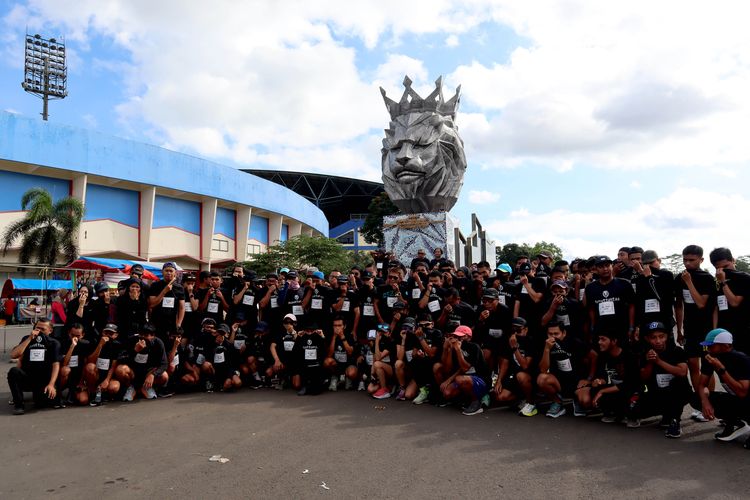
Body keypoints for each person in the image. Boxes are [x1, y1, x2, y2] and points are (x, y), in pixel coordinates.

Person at [674, 245, 716, 422]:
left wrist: (689, 282)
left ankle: (710, 402)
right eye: (685, 260)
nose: (687, 263)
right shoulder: (679, 278)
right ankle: (700, 402)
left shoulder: (706, 278)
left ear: (701, 260)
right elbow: (679, 305)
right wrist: (680, 329)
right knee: (692, 364)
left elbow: (700, 303)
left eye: (691, 260)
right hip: (690, 328)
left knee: (708, 366)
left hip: (705, 330)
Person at [691, 329, 750, 447]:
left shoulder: (741, 359)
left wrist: (721, 369)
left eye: (711, 346)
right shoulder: (711, 358)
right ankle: (735, 423)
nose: (708, 349)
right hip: (738, 400)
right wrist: (705, 402)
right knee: (695, 398)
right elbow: (702, 385)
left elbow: (742, 392)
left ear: (724, 346)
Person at [633, 322, 690, 438]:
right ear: (647, 339)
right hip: (656, 394)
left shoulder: (676, 351)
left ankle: (674, 420)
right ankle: (665, 414)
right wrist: (649, 362)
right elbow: (643, 377)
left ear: (667, 336)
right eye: (653, 338)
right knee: (631, 412)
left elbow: (682, 372)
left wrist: (658, 361)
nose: (658, 341)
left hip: (675, 394)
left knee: (679, 382)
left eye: (661, 336)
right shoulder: (645, 354)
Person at [576, 331, 639, 424]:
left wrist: (602, 391)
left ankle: (631, 415)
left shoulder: (629, 356)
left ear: (614, 341)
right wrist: (599, 381)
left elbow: (629, 384)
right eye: (599, 339)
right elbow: (605, 377)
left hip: (630, 390)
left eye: (603, 339)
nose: (599, 342)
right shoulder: (603, 356)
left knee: (627, 397)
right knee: (595, 389)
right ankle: (612, 413)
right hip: (614, 388)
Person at [537, 321, 597, 418]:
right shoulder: (546, 344)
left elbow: (594, 356)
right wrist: (547, 349)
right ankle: (557, 402)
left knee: (586, 402)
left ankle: (577, 399)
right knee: (542, 379)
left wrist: (589, 378)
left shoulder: (575, 342)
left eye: (556, 334)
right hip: (559, 382)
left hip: (578, 382)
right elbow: (543, 370)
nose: (553, 337)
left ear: (564, 333)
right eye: (550, 334)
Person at [8, 319, 62, 414]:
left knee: (40, 404)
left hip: (43, 380)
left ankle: (41, 395)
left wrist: (51, 384)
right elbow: (14, 355)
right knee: (14, 371)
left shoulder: (54, 343)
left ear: (50, 330)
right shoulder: (26, 338)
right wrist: (29, 338)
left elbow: (56, 364)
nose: (39, 331)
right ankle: (19, 405)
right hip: (28, 377)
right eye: (37, 328)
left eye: (43, 329)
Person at [434, 325, 490, 416]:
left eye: (461, 337)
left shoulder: (474, 347)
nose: (457, 339)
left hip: (481, 379)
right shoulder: (455, 347)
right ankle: (465, 399)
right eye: (456, 336)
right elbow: (448, 368)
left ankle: (476, 401)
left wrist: (458, 350)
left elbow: (465, 368)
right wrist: (446, 349)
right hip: (464, 377)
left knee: (460, 379)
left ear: (469, 337)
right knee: (447, 392)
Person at [584, 255, 636, 344]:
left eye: (607, 266)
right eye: (601, 267)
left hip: (621, 329)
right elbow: (591, 309)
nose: (605, 269)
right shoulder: (590, 288)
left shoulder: (624, 284)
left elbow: (632, 306)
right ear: (596, 269)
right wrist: (592, 327)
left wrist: (631, 327)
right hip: (601, 331)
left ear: (612, 266)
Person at [493, 317, 538, 416]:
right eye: (513, 330)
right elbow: (505, 362)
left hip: (529, 375)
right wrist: (499, 380)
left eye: (518, 330)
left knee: (521, 375)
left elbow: (525, 366)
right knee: (500, 397)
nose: (515, 333)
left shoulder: (530, 341)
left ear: (525, 329)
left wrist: (514, 348)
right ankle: (522, 398)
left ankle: (531, 402)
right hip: (514, 374)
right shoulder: (509, 340)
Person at [710, 247, 750, 355]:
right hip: (724, 331)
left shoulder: (744, 278)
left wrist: (723, 282)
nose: (724, 271)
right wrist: (715, 331)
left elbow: (734, 302)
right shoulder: (715, 282)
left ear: (733, 260)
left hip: (743, 329)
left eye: (726, 266)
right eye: (719, 268)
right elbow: (716, 308)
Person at [115, 324, 168, 401]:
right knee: (120, 370)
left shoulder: (158, 343)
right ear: (139, 334)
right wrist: (134, 351)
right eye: (144, 335)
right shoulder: (131, 341)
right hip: (133, 373)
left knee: (164, 376)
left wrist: (153, 374)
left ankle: (146, 387)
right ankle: (131, 387)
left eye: (149, 335)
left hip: (148, 372)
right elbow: (120, 360)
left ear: (153, 335)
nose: (147, 338)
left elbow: (164, 364)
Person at [84, 323, 124, 406]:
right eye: (106, 333)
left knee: (114, 387)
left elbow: (113, 365)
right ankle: (93, 393)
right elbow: (90, 361)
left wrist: (107, 380)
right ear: (102, 333)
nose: (108, 335)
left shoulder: (117, 345)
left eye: (111, 333)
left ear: (116, 335)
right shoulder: (95, 341)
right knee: (90, 367)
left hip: (107, 375)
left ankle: (104, 394)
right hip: (96, 374)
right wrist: (100, 345)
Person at [147, 262, 185, 343]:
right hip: (157, 323)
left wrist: (178, 324)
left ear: (175, 272)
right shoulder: (155, 285)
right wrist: (164, 291)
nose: (168, 273)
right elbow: (152, 304)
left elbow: (182, 307)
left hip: (171, 325)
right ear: (162, 272)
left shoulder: (179, 288)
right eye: (166, 270)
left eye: (171, 271)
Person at [324, 316, 358, 391]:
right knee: (327, 362)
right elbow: (329, 355)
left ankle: (348, 378)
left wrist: (342, 337)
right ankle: (335, 377)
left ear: (344, 326)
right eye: (335, 325)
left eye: (339, 325)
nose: (337, 328)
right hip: (336, 364)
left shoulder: (350, 336)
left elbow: (350, 352)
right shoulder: (330, 336)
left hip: (348, 364)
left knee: (352, 373)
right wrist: (334, 337)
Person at [294, 321, 327, 395]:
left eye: (311, 330)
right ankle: (305, 386)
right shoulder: (302, 338)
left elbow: (325, 352)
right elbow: (295, 352)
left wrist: (323, 337)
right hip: (305, 367)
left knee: (315, 392)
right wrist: (298, 337)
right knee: (298, 385)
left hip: (316, 367)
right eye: (307, 330)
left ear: (315, 330)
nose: (309, 332)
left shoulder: (319, 337)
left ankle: (321, 384)